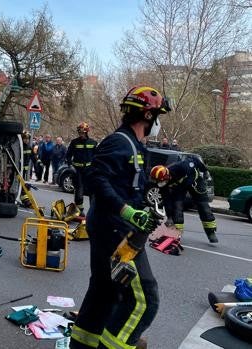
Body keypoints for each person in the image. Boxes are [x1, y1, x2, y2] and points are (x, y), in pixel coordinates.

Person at [70, 86, 170, 349]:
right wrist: (126, 211)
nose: (158, 123)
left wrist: (150, 189)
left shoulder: (133, 145)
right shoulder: (119, 141)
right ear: (148, 116)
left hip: (112, 228)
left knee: (104, 290)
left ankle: (82, 344)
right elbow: (95, 178)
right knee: (144, 300)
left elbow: (124, 183)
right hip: (117, 234)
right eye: (158, 116)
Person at [150, 158, 218, 249]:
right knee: (177, 207)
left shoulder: (182, 166)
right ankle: (176, 233)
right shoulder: (163, 184)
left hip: (195, 182)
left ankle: (211, 232)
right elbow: (167, 200)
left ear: (167, 176)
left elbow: (195, 161)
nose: (161, 183)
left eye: (162, 181)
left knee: (203, 206)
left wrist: (205, 171)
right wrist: (169, 217)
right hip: (180, 187)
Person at [65, 122, 97, 215]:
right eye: (79, 133)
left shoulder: (93, 143)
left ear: (86, 132)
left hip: (89, 170)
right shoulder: (74, 142)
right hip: (77, 170)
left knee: (92, 191)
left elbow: (97, 157)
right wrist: (70, 166)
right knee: (79, 190)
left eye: (82, 133)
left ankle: (93, 212)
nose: (80, 135)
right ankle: (79, 210)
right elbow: (68, 156)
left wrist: (95, 168)